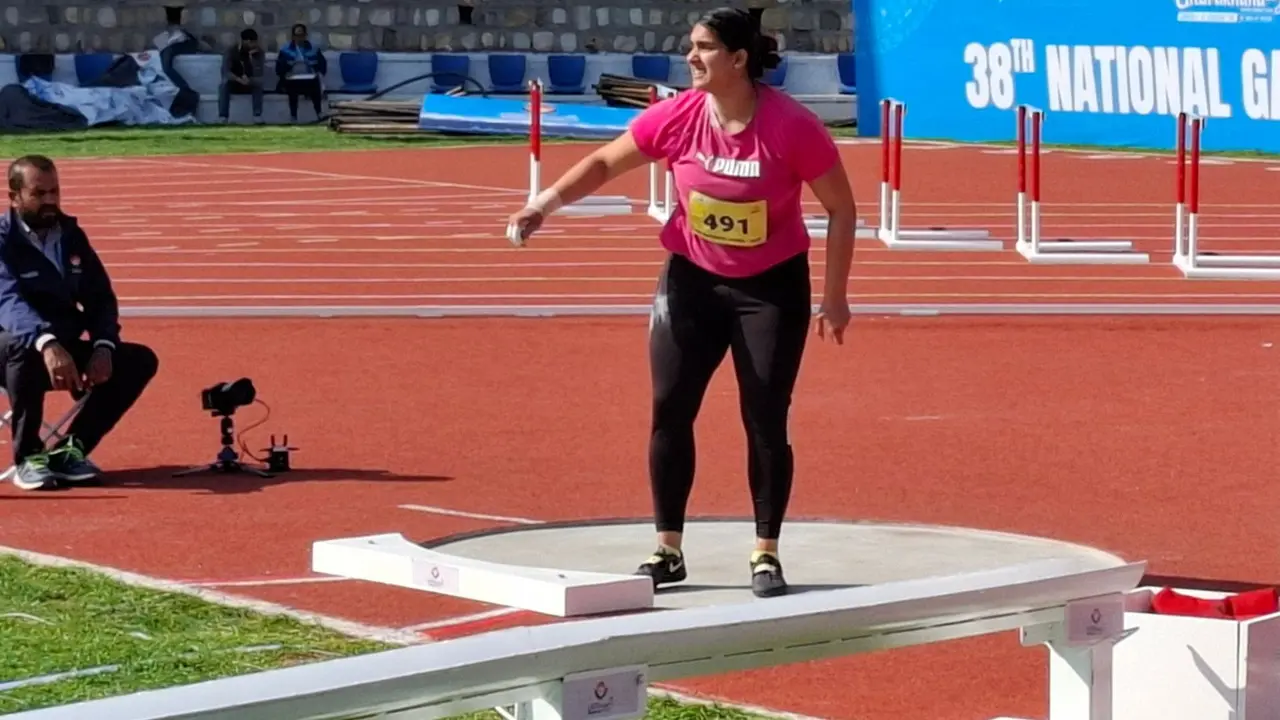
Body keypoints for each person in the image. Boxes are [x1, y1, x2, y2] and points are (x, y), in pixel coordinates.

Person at [506, 8, 857, 598]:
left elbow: (841, 208)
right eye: (691, 46)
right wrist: (543, 205)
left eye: (704, 47)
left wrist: (835, 297)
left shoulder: (792, 126)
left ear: (738, 59)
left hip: (769, 288)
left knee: (765, 416)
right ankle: (667, 549)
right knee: (670, 408)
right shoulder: (680, 115)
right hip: (691, 280)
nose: (691, 57)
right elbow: (603, 161)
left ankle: (765, 553)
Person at [0, 155, 160, 491]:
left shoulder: (71, 235)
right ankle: (29, 457)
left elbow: (100, 297)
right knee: (23, 346)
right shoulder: (3, 240)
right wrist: (46, 342)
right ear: (14, 197)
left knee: (138, 360)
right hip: (12, 349)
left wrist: (103, 345)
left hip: (62, 347)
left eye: (54, 191)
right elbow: (8, 302)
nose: (50, 200)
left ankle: (70, 452)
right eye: (38, 193)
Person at [275, 24, 327, 123]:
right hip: (291, 80)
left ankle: (319, 113)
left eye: (302, 35)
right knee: (292, 87)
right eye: (297, 35)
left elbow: (322, 64)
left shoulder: (314, 49)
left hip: (309, 79)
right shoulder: (285, 50)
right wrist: (287, 71)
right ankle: (293, 116)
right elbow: (279, 69)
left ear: (305, 35)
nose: (299, 38)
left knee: (315, 84)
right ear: (293, 36)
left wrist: (317, 72)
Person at [218, 28, 266, 124]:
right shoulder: (231, 51)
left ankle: (257, 115)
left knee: (258, 86)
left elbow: (260, 73)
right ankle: (223, 116)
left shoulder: (259, 53)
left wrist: (252, 59)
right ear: (246, 41)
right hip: (235, 81)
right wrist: (238, 79)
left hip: (250, 81)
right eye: (252, 42)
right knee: (223, 85)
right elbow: (226, 71)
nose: (254, 45)